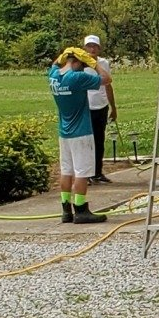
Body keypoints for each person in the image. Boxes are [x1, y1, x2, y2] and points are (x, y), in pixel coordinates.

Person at [49, 47, 106, 224]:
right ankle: (81, 210)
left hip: (64, 133)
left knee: (66, 171)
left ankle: (66, 209)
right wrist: (94, 64)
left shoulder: (54, 76)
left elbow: (55, 65)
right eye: (83, 65)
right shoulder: (77, 77)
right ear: (79, 63)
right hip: (81, 132)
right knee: (82, 172)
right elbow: (107, 79)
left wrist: (63, 57)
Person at [82, 34, 117, 183]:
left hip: (101, 105)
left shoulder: (104, 63)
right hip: (85, 106)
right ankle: (86, 173)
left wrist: (113, 107)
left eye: (95, 46)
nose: (92, 49)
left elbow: (108, 84)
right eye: (89, 46)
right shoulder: (81, 65)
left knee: (99, 140)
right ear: (84, 48)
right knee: (86, 141)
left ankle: (97, 172)